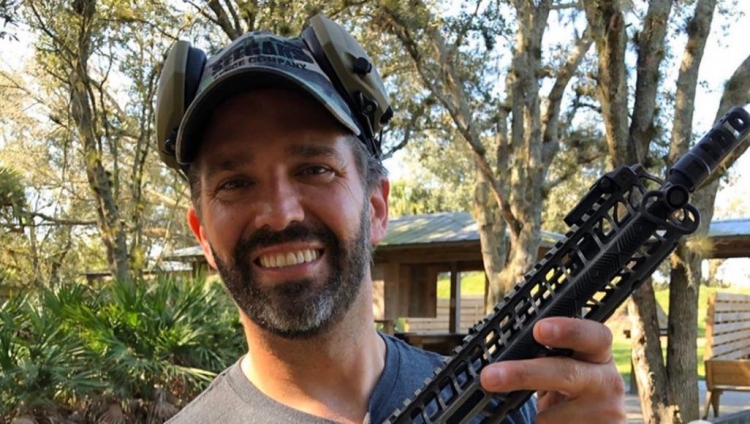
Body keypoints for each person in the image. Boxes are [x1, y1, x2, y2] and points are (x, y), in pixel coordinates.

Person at [155, 15, 626, 424]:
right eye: (235, 183)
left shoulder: (503, 402)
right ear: (203, 236)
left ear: (377, 207)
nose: (280, 214)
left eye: (315, 169)